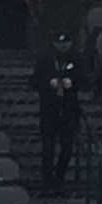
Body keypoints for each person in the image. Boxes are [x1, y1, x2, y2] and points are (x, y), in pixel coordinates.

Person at [33, 32, 83, 194]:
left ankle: (60, 176)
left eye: (65, 44)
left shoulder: (77, 60)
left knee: (67, 148)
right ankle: (47, 179)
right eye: (59, 44)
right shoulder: (45, 61)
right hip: (49, 110)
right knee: (48, 148)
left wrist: (73, 83)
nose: (62, 47)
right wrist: (48, 82)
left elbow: (86, 81)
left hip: (69, 111)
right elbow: (33, 81)